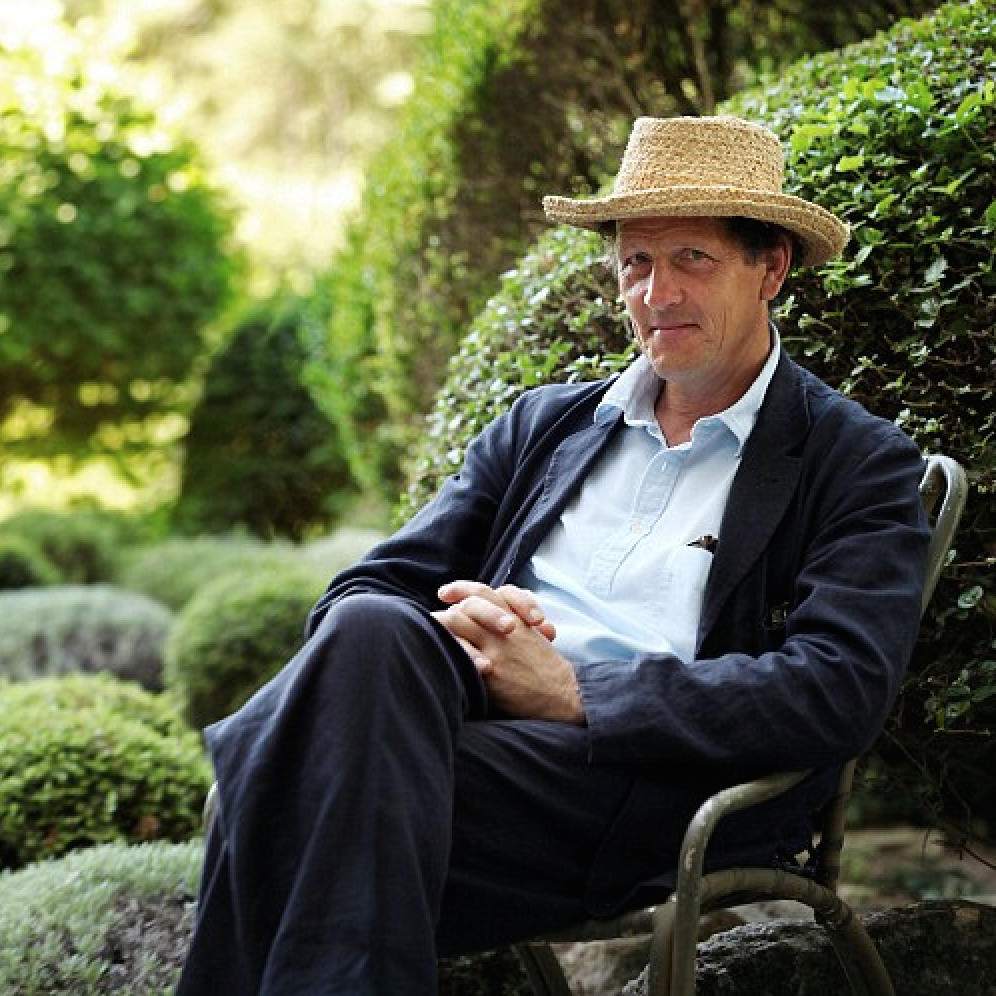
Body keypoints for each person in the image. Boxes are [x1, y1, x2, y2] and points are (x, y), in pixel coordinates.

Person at [176, 115, 929, 995]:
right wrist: (471, 625)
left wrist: (577, 692)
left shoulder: (853, 459)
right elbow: (367, 587)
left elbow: (838, 687)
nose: (656, 292)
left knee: (286, 779)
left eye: (692, 258)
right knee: (373, 626)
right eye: (636, 263)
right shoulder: (546, 424)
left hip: (652, 776)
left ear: (772, 269)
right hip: (465, 723)